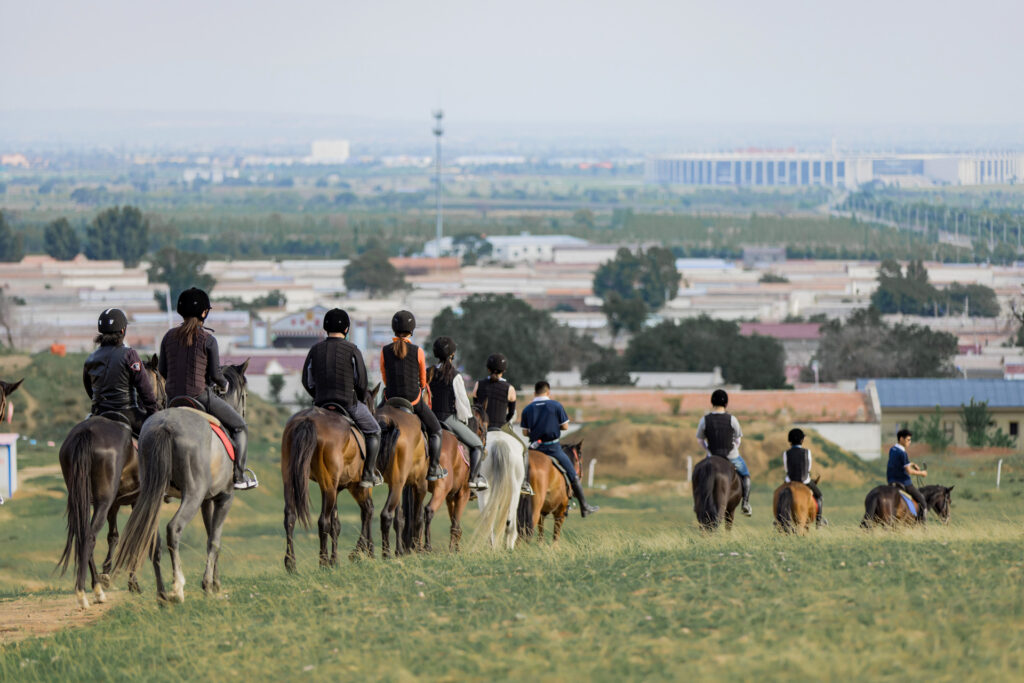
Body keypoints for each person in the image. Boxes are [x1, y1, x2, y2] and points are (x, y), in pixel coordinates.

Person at [158, 287, 257, 490]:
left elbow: (162, 370)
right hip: (200, 397)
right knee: (240, 427)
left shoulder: (168, 337)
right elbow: (214, 375)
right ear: (205, 313)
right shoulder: (208, 340)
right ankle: (238, 476)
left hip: (173, 400)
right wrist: (224, 383)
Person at [301, 308, 382, 488]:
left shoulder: (315, 350)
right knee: (375, 430)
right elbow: (361, 383)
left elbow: (306, 380)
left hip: (321, 405)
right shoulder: (353, 350)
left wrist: (317, 397)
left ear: (325, 328)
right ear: (346, 329)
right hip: (348, 404)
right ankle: (368, 474)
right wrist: (360, 399)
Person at [380, 310, 446, 481]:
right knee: (436, 430)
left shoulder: (384, 350)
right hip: (414, 401)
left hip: (390, 400)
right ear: (412, 330)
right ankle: (433, 468)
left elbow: (385, 377)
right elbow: (423, 381)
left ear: (394, 330)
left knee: (372, 426)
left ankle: (370, 467)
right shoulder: (418, 351)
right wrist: (420, 387)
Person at [520, 381, 598, 517]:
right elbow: (566, 427)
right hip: (552, 448)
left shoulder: (527, 409)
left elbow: (525, 433)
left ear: (534, 393)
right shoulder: (556, 405)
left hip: (534, 448)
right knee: (572, 474)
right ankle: (584, 507)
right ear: (548, 392)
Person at [83, 308, 159, 435]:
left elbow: (90, 390)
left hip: (99, 414)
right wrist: (153, 412)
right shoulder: (130, 354)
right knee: (157, 436)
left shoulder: (90, 359)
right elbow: (144, 387)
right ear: (123, 330)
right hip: (127, 414)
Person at [428, 336, 487, 491]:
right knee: (477, 445)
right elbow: (462, 404)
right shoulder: (455, 375)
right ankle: (474, 479)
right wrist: (467, 421)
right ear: (452, 355)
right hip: (448, 418)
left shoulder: (429, 372)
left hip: (429, 418)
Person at [473, 353, 532, 495]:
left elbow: (476, 408)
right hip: (501, 427)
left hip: (482, 428)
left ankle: (470, 479)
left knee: (469, 449)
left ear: (488, 369)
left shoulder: (478, 385)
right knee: (523, 449)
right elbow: (511, 413)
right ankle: (523, 483)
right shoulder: (509, 388)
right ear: (503, 370)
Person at [696, 389, 752, 516]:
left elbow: (700, 440)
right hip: (731, 456)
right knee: (746, 475)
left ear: (712, 402)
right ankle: (746, 503)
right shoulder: (732, 419)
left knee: (700, 474)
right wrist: (734, 448)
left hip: (712, 456)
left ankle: (698, 502)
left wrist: (708, 450)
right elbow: (738, 439)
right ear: (726, 403)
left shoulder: (704, 420)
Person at [782, 428, 825, 526]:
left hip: (790, 481)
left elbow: (786, 469)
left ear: (790, 441)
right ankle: (819, 521)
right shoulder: (807, 452)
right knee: (819, 496)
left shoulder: (786, 453)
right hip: (805, 480)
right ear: (802, 440)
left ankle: (778, 520)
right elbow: (808, 467)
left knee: (781, 495)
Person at [886, 428, 927, 522]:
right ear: (901, 439)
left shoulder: (893, 449)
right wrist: (922, 473)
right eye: (908, 440)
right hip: (904, 483)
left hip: (891, 481)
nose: (910, 442)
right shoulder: (903, 453)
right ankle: (922, 526)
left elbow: (898, 463)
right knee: (923, 502)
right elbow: (909, 471)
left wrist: (911, 464)